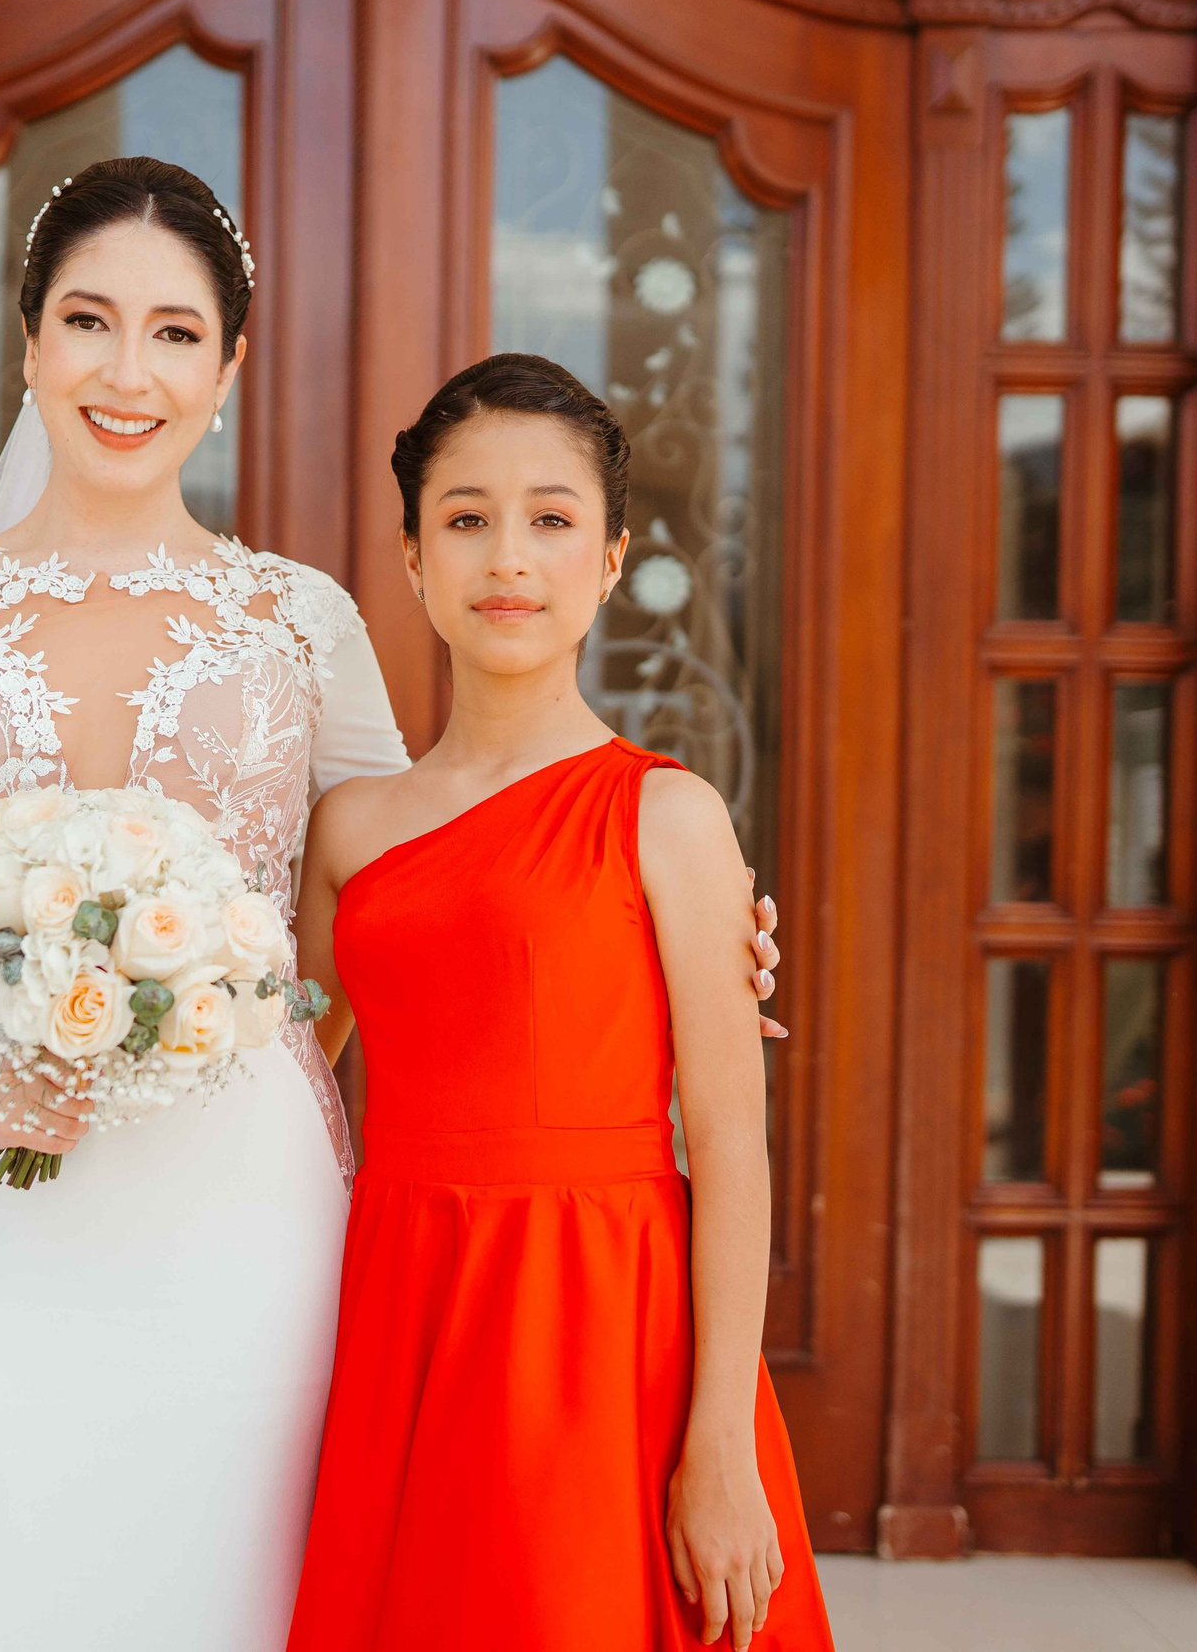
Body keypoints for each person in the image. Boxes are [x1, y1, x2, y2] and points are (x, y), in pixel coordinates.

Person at [0, 155, 781, 1650]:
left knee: (232, 1574)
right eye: (91, 321)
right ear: (32, 341)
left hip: (248, 1202)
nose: (131, 372)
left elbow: (426, 863)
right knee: (7, 1554)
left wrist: (679, 929)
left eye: (177, 333)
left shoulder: (301, 618)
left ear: (230, 366)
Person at [285, 355, 834, 1651]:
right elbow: (284, 1088)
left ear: (611, 558)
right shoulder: (351, 830)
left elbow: (734, 1149)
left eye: (552, 519)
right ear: (415, 561)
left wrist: (717, 1449)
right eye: (466, 519)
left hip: (601, 1325)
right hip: (406, 1312)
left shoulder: (669, 816)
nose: (507, 558)